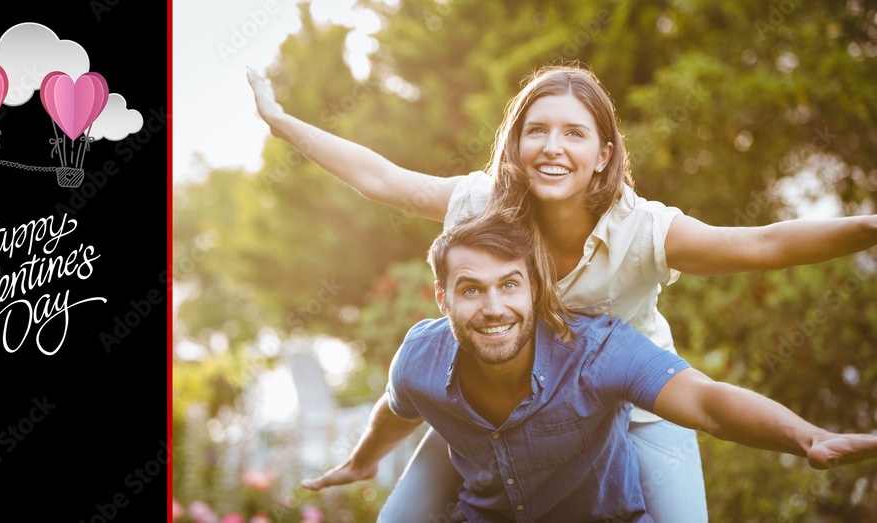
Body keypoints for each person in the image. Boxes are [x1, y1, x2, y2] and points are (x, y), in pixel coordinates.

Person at [246, 63, 877, 521]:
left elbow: (764, 245)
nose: (552, 147)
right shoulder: (481, 202)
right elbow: (382, 178)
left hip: (634, 406)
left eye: (574, 134)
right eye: (537, 131)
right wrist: (281, 124)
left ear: (604, 154)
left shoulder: (646, 231)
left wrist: (869, 228)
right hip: (504, 404)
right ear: (515, 145)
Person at [304, 213, 877, 522]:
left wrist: (807, 436)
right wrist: (360, 462)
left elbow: (707, 403)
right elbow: (395, 410)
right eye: (471, 290)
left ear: (536, 289)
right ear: (442, 299)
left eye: (510, 285)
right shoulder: (420, 358)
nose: (494, 307)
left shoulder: (598, 352)